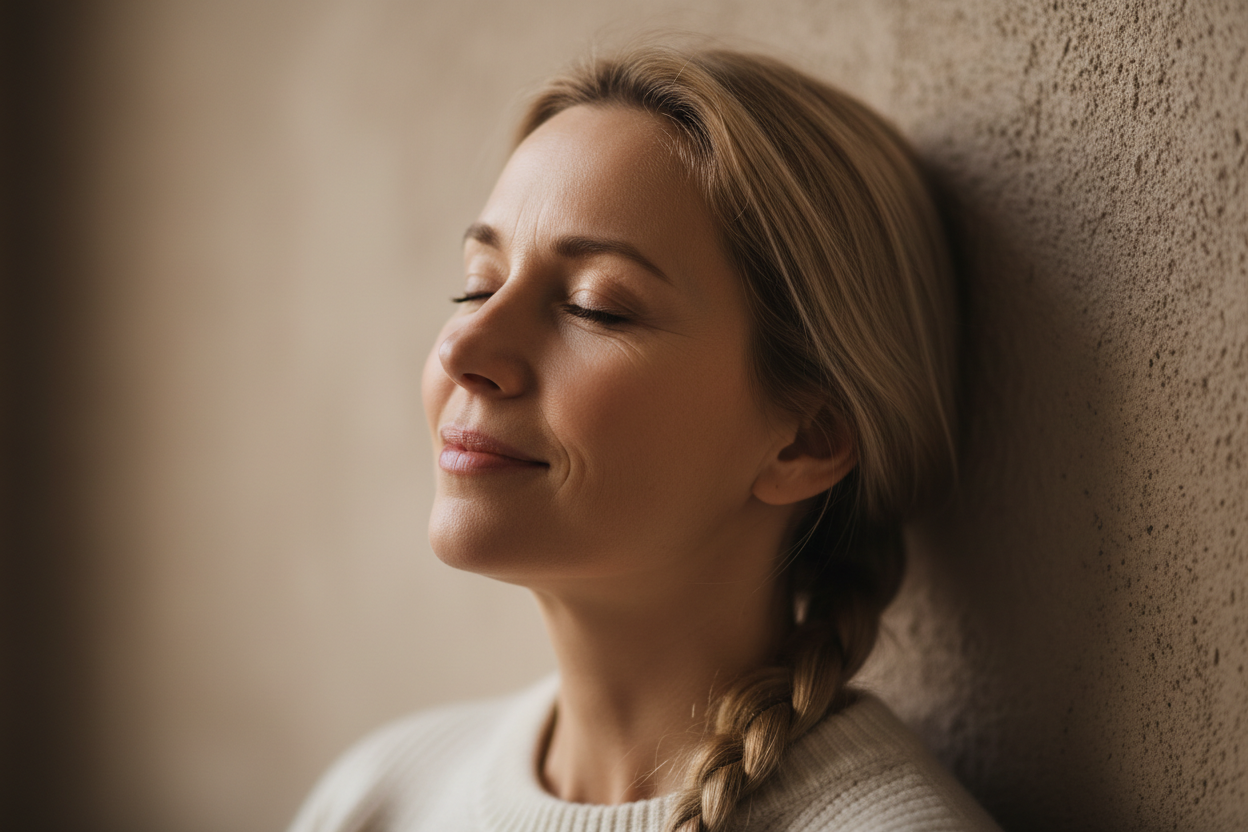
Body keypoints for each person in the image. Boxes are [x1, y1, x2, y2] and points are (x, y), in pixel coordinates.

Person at [288, 43, 1002, 832]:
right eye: (477, 286)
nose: (461, 349)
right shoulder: (379, 798)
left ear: (806, 438)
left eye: (597, 307)